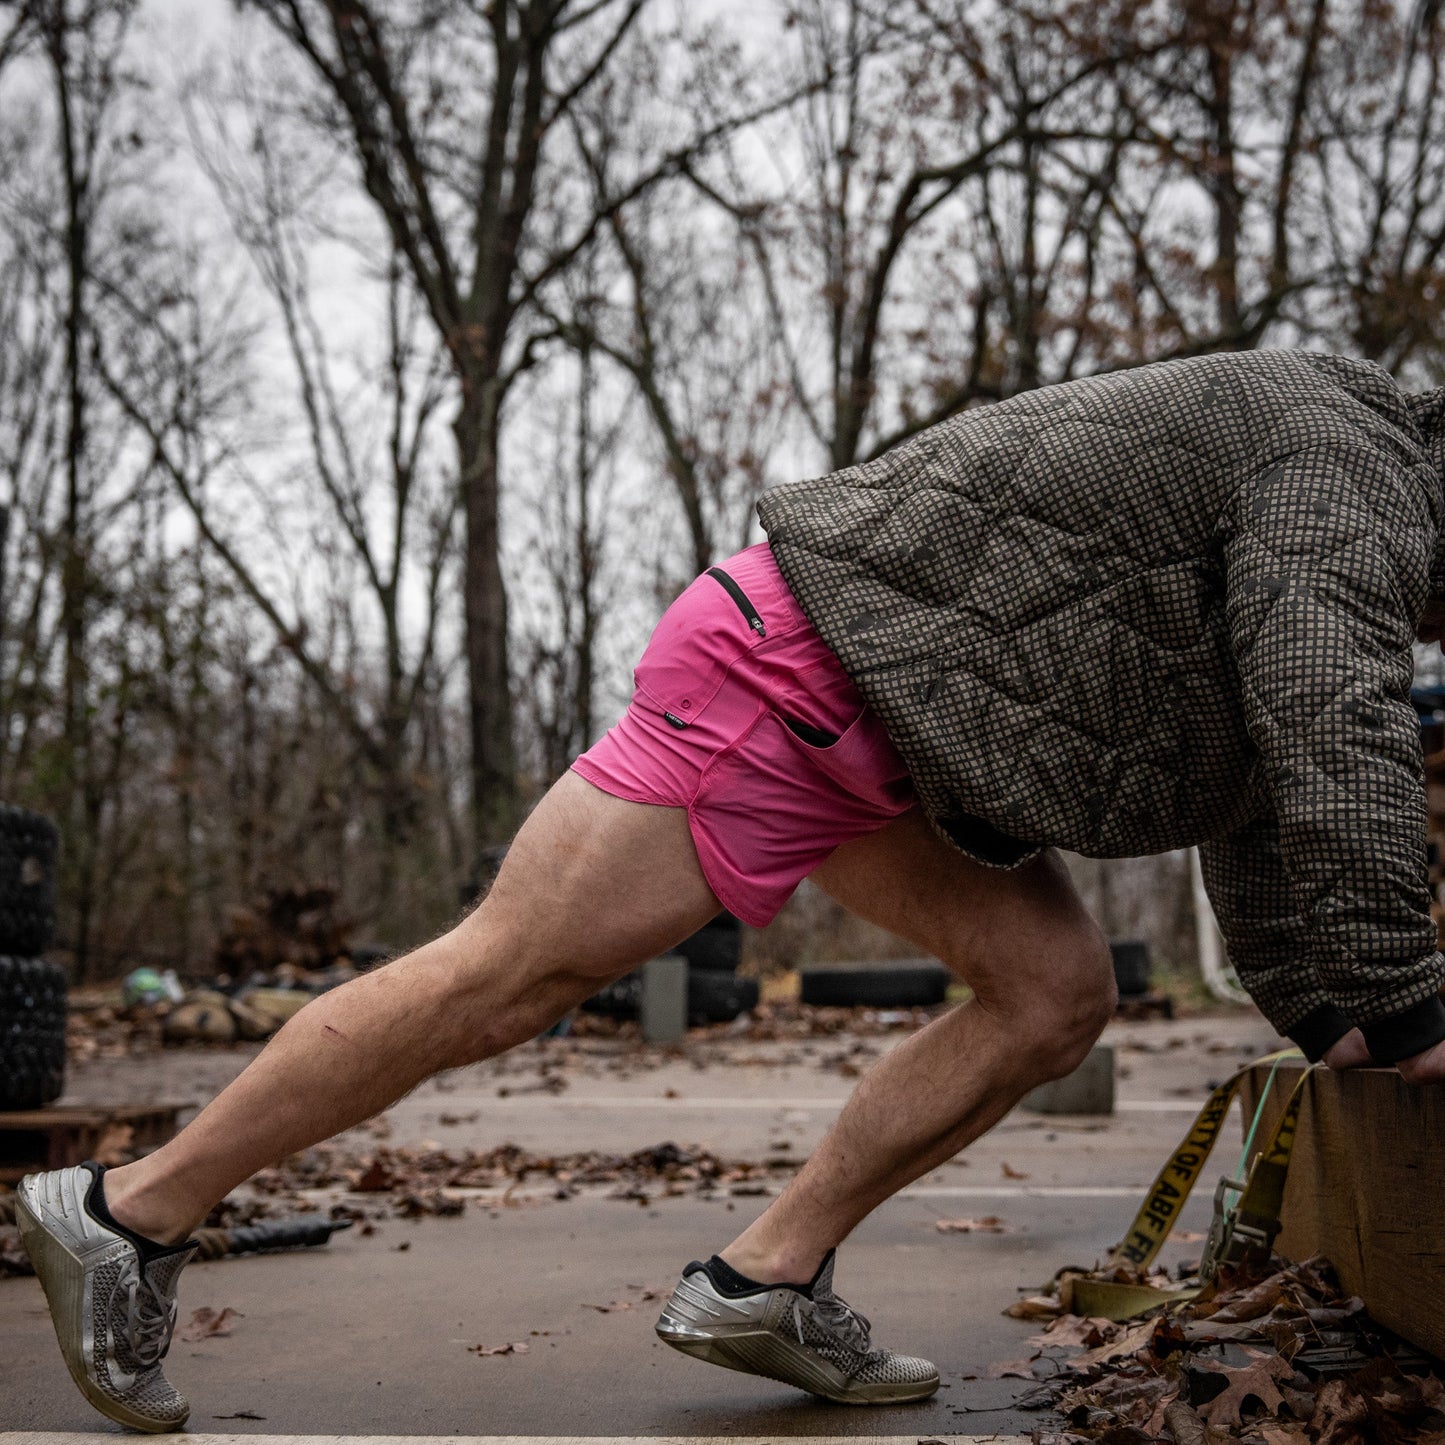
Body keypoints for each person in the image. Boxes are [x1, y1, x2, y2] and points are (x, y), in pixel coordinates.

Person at [18, 348, 1445, 1432]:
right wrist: (1405, 989)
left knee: (1050, 992)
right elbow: (1332, 712)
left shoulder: (1348, 481)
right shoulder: (1349, 458)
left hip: (883, 720)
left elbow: (1263, 777)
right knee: (506, 969)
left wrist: (1330, 1010)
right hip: (790, 678)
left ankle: (763, 1279)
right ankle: (130, 1208)